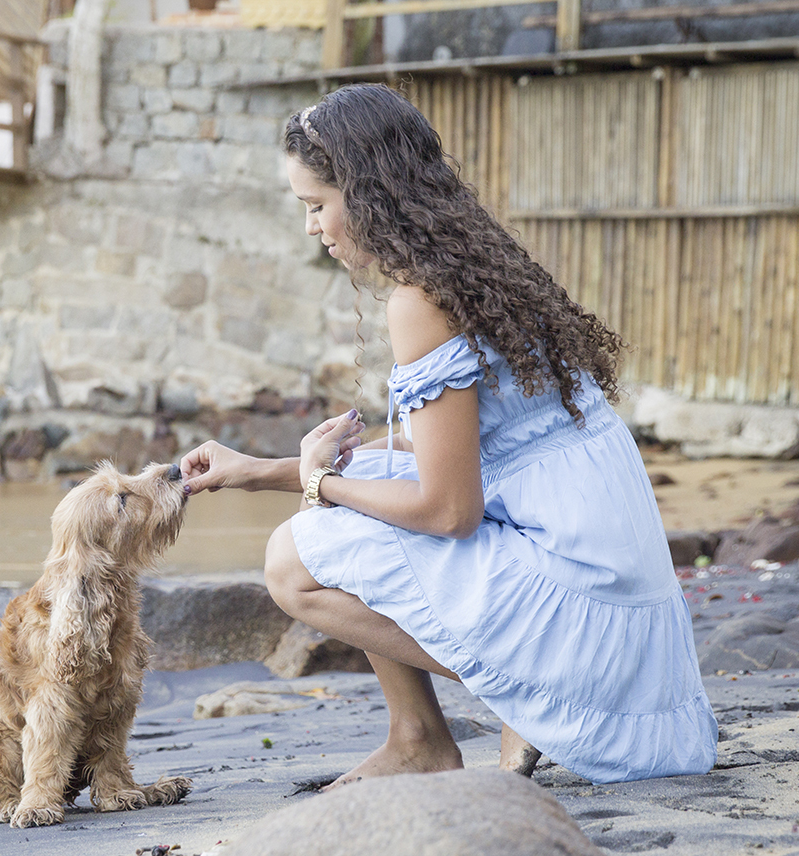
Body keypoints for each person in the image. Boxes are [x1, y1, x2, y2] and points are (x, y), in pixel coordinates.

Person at [179, 83, 717, 787]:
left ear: (367, 195)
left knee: (293, 557)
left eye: (316, 206)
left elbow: (448, 511)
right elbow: (456, 451)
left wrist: (318, 484)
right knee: (346, 501)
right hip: (616, 601)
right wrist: (263, 470)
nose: (313, 228)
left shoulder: (421, 302)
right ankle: (426, 733)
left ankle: (455, 725)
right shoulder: (478, 270)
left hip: (587, 622)